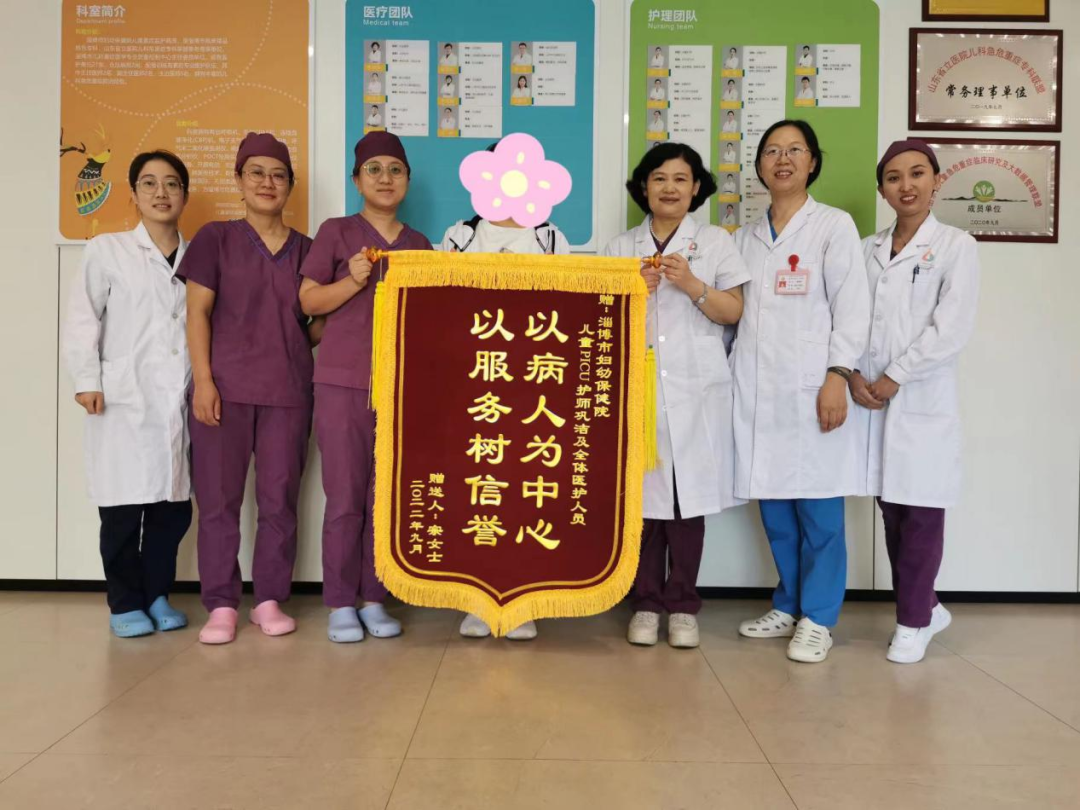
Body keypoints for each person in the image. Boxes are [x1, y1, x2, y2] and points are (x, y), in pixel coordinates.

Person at [731, 120, 869, 663]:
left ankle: (819, 618)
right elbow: (734, 313)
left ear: (813, 162)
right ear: (759, 166)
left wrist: (837, 374)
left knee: (819, 510)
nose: (782, 159)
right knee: (776, 510)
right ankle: (787, 604)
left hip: (814, 386)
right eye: (772, 151)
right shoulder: (743, 237)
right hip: (758, 390)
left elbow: (852, 308)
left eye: (794, 150)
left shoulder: (832, 226)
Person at [603, 142, 749, 648]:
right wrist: (631, 292)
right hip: (638, 390)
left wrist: (691, 284)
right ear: (643, 187)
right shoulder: (620, 248)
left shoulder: (715, 243)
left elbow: (733, 311)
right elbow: (599, 321)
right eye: (659, 178)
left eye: (681, 179)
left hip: (696, 391)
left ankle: (683, 606)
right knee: (643, 503)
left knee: (689, 504)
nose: (669, 188)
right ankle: (645, 604)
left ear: (696, 188)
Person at [180, 133, 320, 645]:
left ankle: (267, 600)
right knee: (219, 501)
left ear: (290, 186)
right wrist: (203, 380)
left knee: (279, 501)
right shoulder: (215, 238)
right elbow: (197, 313)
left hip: (288, 391)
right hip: (225, 390)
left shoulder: (308, 249)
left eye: (278, 175)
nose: (267, 182)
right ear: (239, 180)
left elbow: (314, 325)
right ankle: (221, 604)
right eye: (256, 173)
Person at [299, 132, 433, 644]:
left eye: (395, 170)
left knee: (385, 498)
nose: (385, 178)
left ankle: (374, 597)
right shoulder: (335, 232)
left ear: (407, 181)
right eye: (373, 169)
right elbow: (309, 302)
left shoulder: (420, 245)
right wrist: (353, 280)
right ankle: (340, 603)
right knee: (345, 497)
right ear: (357, 180)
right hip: (341, 383)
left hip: (401, 389)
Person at [851, 139, 979, 664]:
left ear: (935, 181)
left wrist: (895, 376)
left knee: (922, 511)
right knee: (892, 511)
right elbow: (850, 316)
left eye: (917, 174)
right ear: (882, 189)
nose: (906, 185)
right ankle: (924, 605)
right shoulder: (866, 248)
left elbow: (951, 329)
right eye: (894, 177)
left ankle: (913, 622)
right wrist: (853, 373)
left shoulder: (956, 246)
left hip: (921, 397)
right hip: (871, 398)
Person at [439, 139, 572, 640]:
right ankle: (476, 599)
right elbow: (440, 300)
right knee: (476, 488)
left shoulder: (550, 236)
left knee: (526, 490)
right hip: (474, 378)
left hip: (533, 380)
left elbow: (570, 301)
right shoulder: (460, 234)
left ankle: (522, 602)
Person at [63, 150, 194, 639]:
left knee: (171, 509)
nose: (161, 193)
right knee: (121, 510)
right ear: (134, 193)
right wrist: (87, 381)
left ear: (184, 194)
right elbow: (83, 317)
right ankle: (124, 602)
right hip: (121, 398)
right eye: (149, 183)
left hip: (177, 400)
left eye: (172, 183)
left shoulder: (198, 256)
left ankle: (157, 594)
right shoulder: (108, 249)